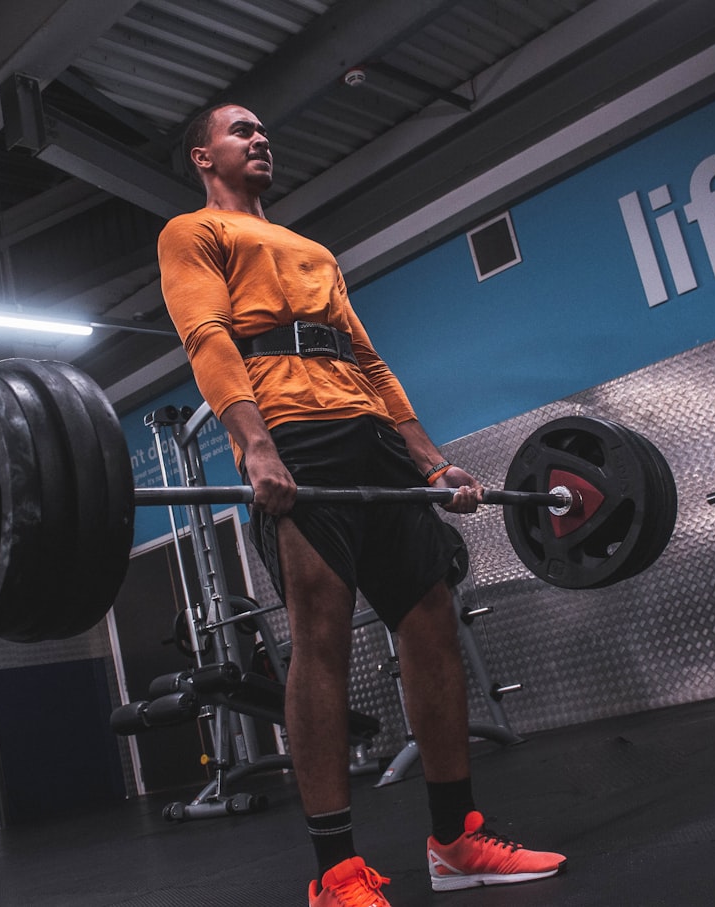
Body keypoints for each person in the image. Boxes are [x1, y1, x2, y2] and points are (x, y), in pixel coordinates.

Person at [157, 102, 566, 905]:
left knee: (432, 619)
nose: (260, 137)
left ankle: (455, 841)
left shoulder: (314, 251)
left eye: (263, 129)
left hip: (367, 434)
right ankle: (337, 872)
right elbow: (208, 336)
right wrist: (255, 444)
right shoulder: (192, 233)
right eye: (241, 130)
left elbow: (371, 361)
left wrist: (432, 462)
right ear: (204, 157)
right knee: (321, 635)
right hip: (292, 433)